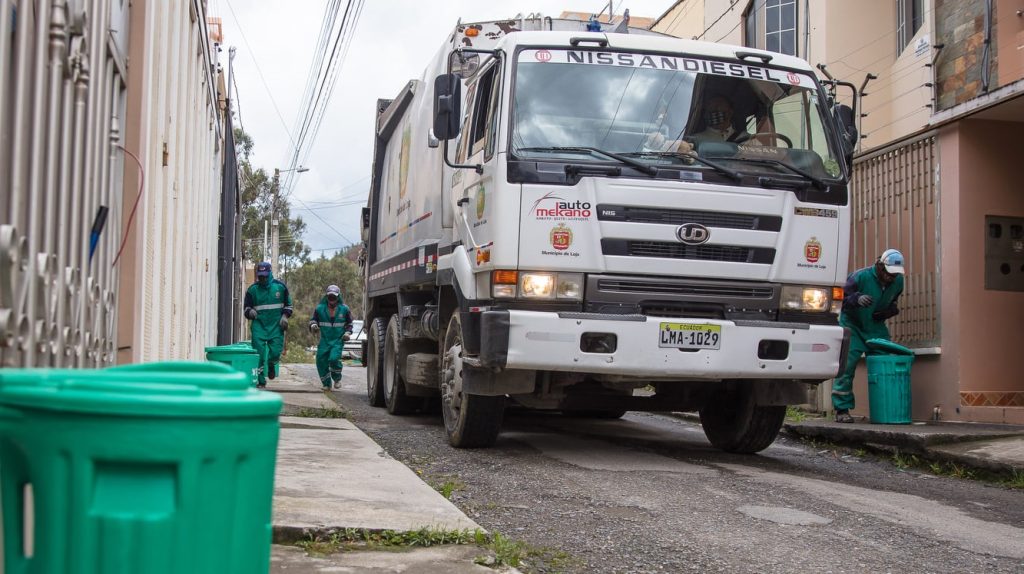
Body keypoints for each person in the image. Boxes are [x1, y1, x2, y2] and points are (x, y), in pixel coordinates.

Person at [832, 249, 906, 423]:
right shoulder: (860, 277)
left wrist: (888, 311)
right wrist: (856, 299)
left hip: (875, 326)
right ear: (879, 266)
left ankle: (886, 409)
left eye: (894, 275)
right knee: (847, 367)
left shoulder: (898, 282)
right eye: (888, 273)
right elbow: (840, 298)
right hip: (853, 325)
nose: (891, 278)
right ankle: (842, 409)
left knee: (886, 365)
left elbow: (893, 300)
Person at [244, 261, 293, 388]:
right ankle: (261, 381)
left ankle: (271, 365)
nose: (263, 278)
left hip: (276, 326)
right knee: (258, 354)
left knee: (275, 352)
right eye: (260, 276)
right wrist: (250, 312)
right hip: (259, 326)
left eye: (265, 275)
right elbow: (246, 309)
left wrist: (285, 316)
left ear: (270, 273)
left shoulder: (280, 287)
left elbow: (289, 305)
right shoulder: (252, 290)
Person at [308, 284, 354, 391]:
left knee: (333, 359)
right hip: (324, 340)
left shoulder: (344, 309)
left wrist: (347, 333)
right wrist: (313, 325)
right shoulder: (319, 309)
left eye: (334, 297)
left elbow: (350, 324)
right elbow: (313, 320)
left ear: (338, 297)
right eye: (330, 297)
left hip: (338, 340)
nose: (332, 299)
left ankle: (337, 378)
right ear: (326, 296)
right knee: (320, 360)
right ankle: (326, 383)